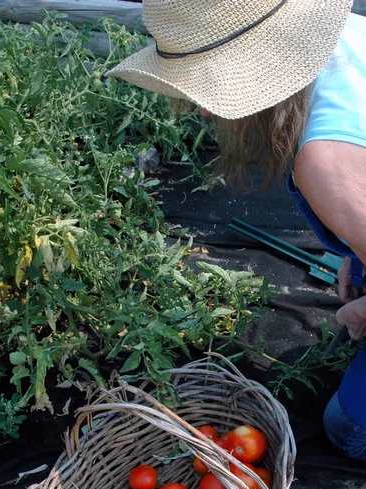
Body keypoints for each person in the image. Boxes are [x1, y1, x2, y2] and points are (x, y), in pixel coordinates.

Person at [106, 0, 366, 461]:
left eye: (208, 84)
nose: (201, 109)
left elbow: (349, 179)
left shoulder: (325, 161)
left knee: (347, 428)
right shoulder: (345, 35)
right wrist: (354, 246)